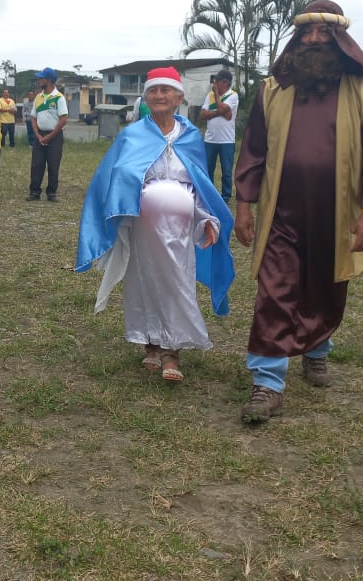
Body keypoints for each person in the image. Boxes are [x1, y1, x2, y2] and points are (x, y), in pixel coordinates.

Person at [235, 0, 363, 424]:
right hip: (280, 213)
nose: (312, 39)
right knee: (274, 290)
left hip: (336, 213)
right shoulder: (274, 89)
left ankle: (316, 348)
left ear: (339, 39)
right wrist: (243, 204)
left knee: (325, 287)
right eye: (306, 31)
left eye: (323, 32)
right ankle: (267, 382)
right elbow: (253, 149)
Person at [77, 67, 234, 382]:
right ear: (146, 98)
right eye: (153, 91)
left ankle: (172, 351)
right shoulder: (132, 135)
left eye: (166, 90)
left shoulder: (191, 136)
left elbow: (199, 186)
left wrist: (207, 219)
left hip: (179, 231)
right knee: (143, 282)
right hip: (142, 228)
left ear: (178, 97)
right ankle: (150, 342)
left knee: (177, 282)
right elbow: (111, 177)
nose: (159, 95)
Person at [28, 68, 68, 202]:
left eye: (41, 78)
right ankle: (34, 191)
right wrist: (37, 135)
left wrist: (50, 136)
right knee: (37, 164)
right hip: (40, 135)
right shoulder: (38, 97)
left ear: (49, 80)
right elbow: (33, 117)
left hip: (54, 136)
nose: (39, 80)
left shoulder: (59, 98)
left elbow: (63, 119)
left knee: (53, 164)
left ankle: (51, 193)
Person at [198, 69, 239, 201]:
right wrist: (220, 112)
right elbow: (202, 114)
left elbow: (223, 109)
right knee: (208, 169)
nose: (214, 83)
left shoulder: (233, 95)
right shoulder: (209, 95)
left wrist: (216, 96)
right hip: (210, 139)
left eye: (217, 80)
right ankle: (209, 194)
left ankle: (226, 196)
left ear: (225, 82)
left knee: (226, 171)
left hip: (227, 140)